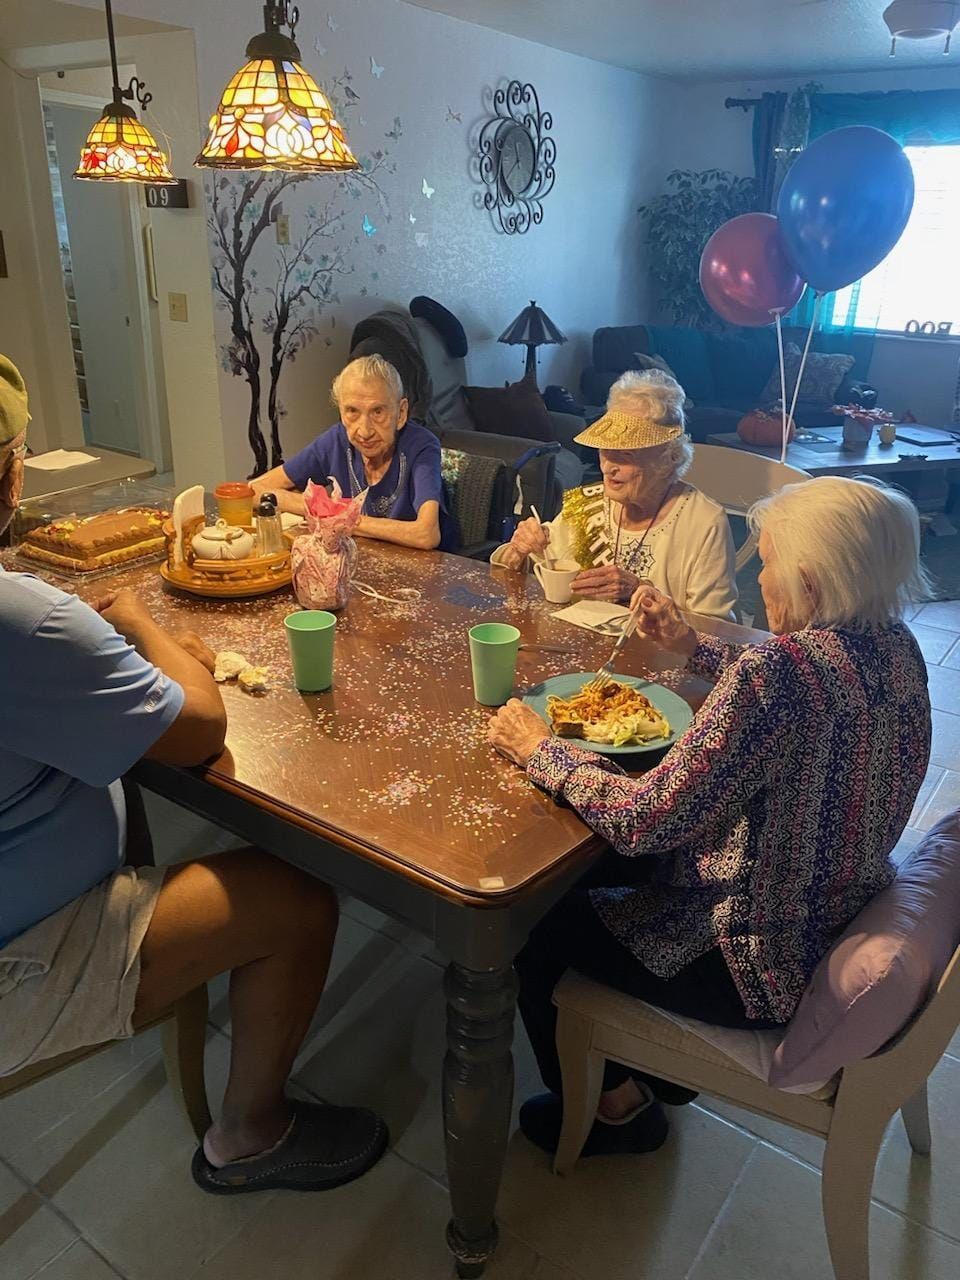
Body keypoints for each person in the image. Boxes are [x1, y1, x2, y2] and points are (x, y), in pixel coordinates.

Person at [0, 355, 387, 1194]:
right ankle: (248, 1134)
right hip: (21, 957)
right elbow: (203, 728)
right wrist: (142, 627)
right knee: (298, 895)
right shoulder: (21, 620)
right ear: (11, 474)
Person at [488, 475, 931, 1157]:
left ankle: (614, 1111)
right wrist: (695, 645)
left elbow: (645, 820)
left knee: (532, 917)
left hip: (749, 959)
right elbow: (796, 706)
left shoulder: (779, 673)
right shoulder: (898, 651)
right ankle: (646, 1073)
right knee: (597, 868)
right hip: (829, 913)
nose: (760, 575)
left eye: (771, 559)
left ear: (811, 582)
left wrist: (540, 750)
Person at [491, 370, 737, 619]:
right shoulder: (588, 503)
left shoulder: (704, 522)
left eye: (626, 454)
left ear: (669, 458)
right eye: (605, 451)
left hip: (660, 656)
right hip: (583, 648)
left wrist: (640, 591)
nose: (609, 467)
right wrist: (520, 548)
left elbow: (717, 631)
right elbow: (517, 571)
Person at [252, 353, 455, 551]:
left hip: (422, 573)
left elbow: (426, 534)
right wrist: (322, 508)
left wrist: (339, 518)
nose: (364, 431)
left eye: (378, 412)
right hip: (360, 563)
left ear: (401, 413)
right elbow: (254, 491)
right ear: (341, 412)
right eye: (352, 412)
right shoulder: (335, 441)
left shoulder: (422, 446)